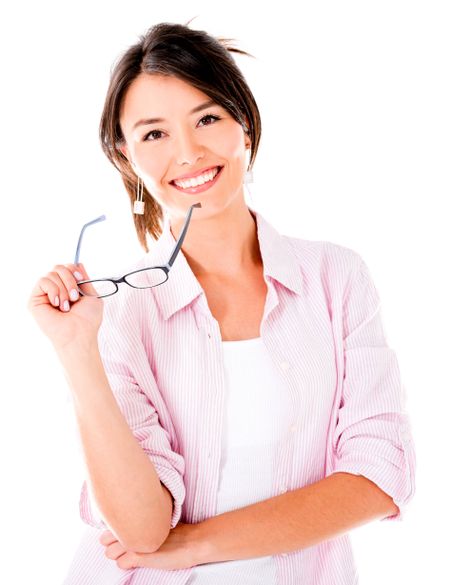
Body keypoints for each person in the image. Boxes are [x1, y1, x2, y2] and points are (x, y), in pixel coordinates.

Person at [27, 20, 416, 585]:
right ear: (126, 155)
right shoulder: (120, 313)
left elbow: (379, 478)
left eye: (208, 119)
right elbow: (141, 530)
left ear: (245, 128)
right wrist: (75, 350)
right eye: (154, 134)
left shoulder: (336, 278)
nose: (188, 153)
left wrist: (197, 545)